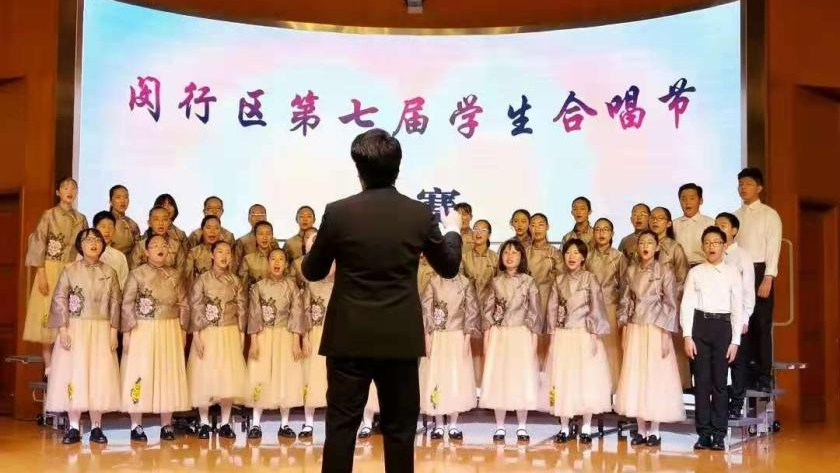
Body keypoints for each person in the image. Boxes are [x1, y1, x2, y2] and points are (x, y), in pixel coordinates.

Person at [302, 129, 462, 473]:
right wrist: (454, 231)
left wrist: (311, 249)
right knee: (400, 431)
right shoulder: (418, 214)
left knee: (341, 428)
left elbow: (313, 272)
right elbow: (449, 267)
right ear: (397, 168)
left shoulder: (338, 212)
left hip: (348, 338)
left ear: (358, 169)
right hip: (399, 339)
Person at [45, 229, 121, 444]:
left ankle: (97, 427)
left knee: (99, 375)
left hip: (101, 328)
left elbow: (115, 303)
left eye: (97, 240)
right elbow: (60, 299)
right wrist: (63, 330)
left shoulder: (110, 272)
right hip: (76, 328)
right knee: (74, 374)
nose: (93, 243)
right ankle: (73, 426)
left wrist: (113, 332)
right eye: (88, 240)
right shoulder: (70, 270)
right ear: (80, 245)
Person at [615, 230, 685, 447]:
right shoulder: (631, 271)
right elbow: (625, 301)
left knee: (655, 376)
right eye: (642, 242)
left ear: (657, 247)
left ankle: (655, 429)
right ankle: (641, 429)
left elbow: (670, 303)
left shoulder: (665, 271)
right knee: (636, 376)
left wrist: (665, 333)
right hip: (636, 327)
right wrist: (624, 327)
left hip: (656, 327)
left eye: (650, 243)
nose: (645, 246)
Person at [120, 234, 191, 442]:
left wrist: (182, 330)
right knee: (140, 371)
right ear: (146, 251)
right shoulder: (137, 274)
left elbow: (184, 304)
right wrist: (127, 332)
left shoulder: (175, 275)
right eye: (155, 245)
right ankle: (136, 424)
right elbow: (127, 304)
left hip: (169, 328)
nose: (160, 248)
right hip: (142, 328)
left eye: (164, 245)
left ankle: (166, 424)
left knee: (167, 374)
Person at [681, 226, 743, 451]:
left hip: (723, 327)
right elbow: (687, 304)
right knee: (702, 383)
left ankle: (719, 434)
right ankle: (703, 434)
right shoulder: (696, 273)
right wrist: (687, 335)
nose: (711, 247)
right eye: (707, 243)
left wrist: (735, 340)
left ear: (724, 246)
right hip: (700, 326)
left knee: (720, 384)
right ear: (702, 246)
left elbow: (737, 307)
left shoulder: (732, 272)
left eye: (716, 242)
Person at [544, 239, 612, 444]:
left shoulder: (590, 279)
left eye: (576, 253)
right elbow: (552, 309)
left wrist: (594, 335)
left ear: (583, 257)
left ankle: (586, 426)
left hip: (584, 334)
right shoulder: (558, 281)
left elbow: (597, 307)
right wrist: (552, 335)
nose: (571, 257)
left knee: (586, 379)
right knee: (563, 379)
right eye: (568, 253)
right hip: (563, 335)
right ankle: (564, 427)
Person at [23, 177, 88, 377]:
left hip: (72, 269)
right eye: (65, 187)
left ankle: (66, 362)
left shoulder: (81, 218)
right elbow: (38, 244)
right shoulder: (49, 215)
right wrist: (41, 274)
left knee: (70, 311)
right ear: (58, 192)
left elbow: (84, 244)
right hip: (50, 268)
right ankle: (49, 365)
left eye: (73, 188)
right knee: (47, 310)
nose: (70, 191)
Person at [479, 239, 542, 443]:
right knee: (500, 379)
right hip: (500, 335)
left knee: (521, 378)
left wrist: (533, 341)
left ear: (521, 257)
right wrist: (487, 340)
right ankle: (500, 426)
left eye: (514, 252)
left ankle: (522, 426)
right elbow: (488, 313)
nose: (509, 256)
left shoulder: (529, 282)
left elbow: (535, 313)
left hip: (521, 334)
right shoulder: (495, 282)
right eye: (506, 252)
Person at [187, 240, 248, 440]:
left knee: (228, 377)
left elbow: (241, 309)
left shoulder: (235, 281)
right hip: (207, 332)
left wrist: (241, 335)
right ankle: (204, 422)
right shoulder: (202, 280)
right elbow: (196, 307)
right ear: (212, 255)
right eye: (220, 252)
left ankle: (225, 423)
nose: (224, 256)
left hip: (229, 332)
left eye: (228, 252)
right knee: (205, 375)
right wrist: (196, 335)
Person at [245, 248, 307, 439]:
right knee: (260, 375)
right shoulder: (258, 287)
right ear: (268, 262)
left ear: (286, 264)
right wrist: (254, 341)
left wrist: (296, 341)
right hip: (263, 335)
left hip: (285, 335)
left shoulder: (291, 287)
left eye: (281, 259)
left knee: (284, 376)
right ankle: (256, 424)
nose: (277, 262)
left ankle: (285, 424)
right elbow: (254, 315)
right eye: (273, 259)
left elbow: (297, 314)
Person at [734, 167, 782, 393]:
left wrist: (768, 277)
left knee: (761, 324)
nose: (743, 188)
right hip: (739, 274)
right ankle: (745, 375)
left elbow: (773, 247)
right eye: (741, 184)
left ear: (759, 188)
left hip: (760, 271)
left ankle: (764, 375)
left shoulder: (769, 214)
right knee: (743, 324)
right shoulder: (735, 216)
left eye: (749, 184)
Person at [419, 268, 480, 440]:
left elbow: (472, 311)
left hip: (457, 336)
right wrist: (428, 336)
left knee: (455, 378)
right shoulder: (433, 282)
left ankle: (453, 424)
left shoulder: (465, 283)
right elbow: (426, 309)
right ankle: (439, 424)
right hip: (437, 336)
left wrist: (467, 338)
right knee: (437, 377)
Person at [715, 212, 756, 418]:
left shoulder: (742, 256)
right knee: (719, 361)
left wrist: (745, 317)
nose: (718, 228)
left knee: (738, 362)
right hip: (717, 317)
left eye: (723, 225)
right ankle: (720, 403)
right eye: (716, 225)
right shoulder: (715, 255)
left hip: (737, 316)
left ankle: (737, 404)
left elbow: (748, 289)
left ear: (734, 230)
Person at [585, 217, 627, 390]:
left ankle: (611, 391)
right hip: (590, 308)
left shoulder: (619, 257)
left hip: (611, 307)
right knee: (591, 350)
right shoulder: (586, 256)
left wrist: (622, 314)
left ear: (612, 234)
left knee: (611, 351)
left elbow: (625, 286)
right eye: (597, 229)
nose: (601, 233)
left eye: (605, 230)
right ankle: (592, 390)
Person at [673, 183, 715, 266]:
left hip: (704, 267)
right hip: (679, 268)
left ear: (701, 201)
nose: (687, 202)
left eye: (692, 198)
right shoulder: (673, 224)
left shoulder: (711, 223)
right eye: (683, 199)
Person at [90, 210, 129, 290]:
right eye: (103, 227)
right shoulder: (85, 253)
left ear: (114, 230)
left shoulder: (120, 256)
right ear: (94, 229)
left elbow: (124, 284)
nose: (107, 231)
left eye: (110, 227)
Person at [108, 185, 141, 257]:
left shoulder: (132, 224)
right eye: (118, 197)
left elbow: (138, 249)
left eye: (126, 197)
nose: (122, 201)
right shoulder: (105, 221)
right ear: (110, 201)